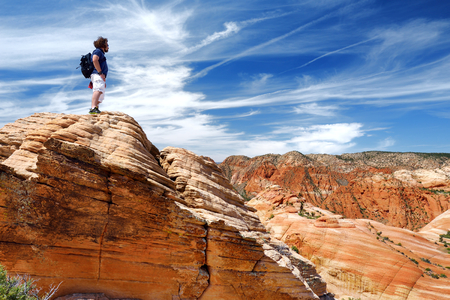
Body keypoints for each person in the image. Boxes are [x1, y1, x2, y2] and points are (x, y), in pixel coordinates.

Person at [89, 37, 109, 114]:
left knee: (100, 92)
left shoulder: (100, 52)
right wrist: (100, 73)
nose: (108, 47)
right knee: (98, 90)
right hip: (97, 74)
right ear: (103, 45)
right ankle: (93, 108)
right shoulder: (98, 51)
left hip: (99, 75)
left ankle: (96, 110)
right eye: (107, 45)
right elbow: (94, 59)